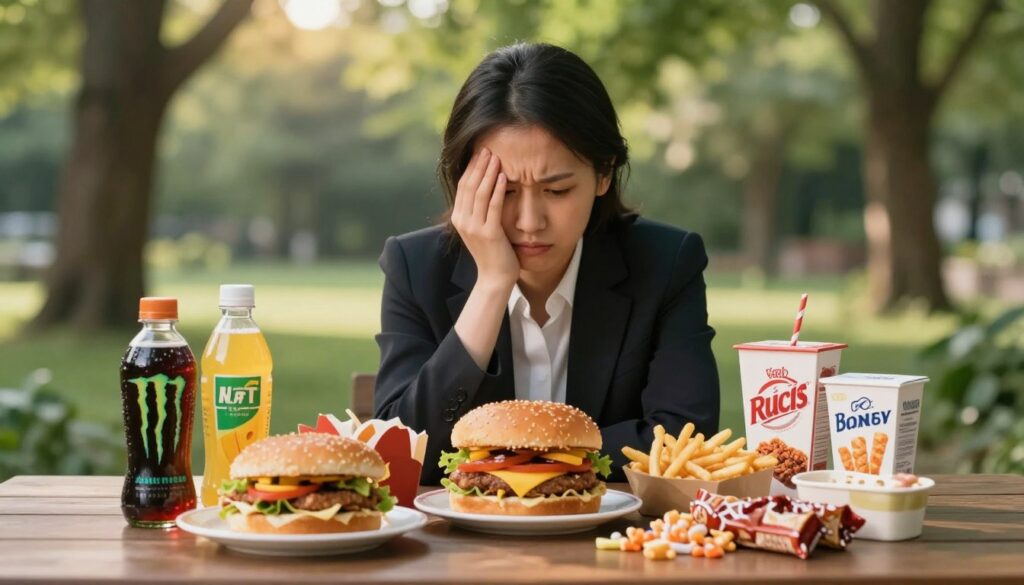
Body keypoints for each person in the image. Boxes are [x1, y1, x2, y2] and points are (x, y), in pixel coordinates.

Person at [374, 43, 720, 484]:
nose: (529, 222)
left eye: (556, 191)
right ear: (467, 183)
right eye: (506, 191)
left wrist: (519, 461)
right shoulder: (415, 266)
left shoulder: (667, 262)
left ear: (604, 173)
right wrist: (492, 285)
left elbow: (684, 440)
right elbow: (403, 452)